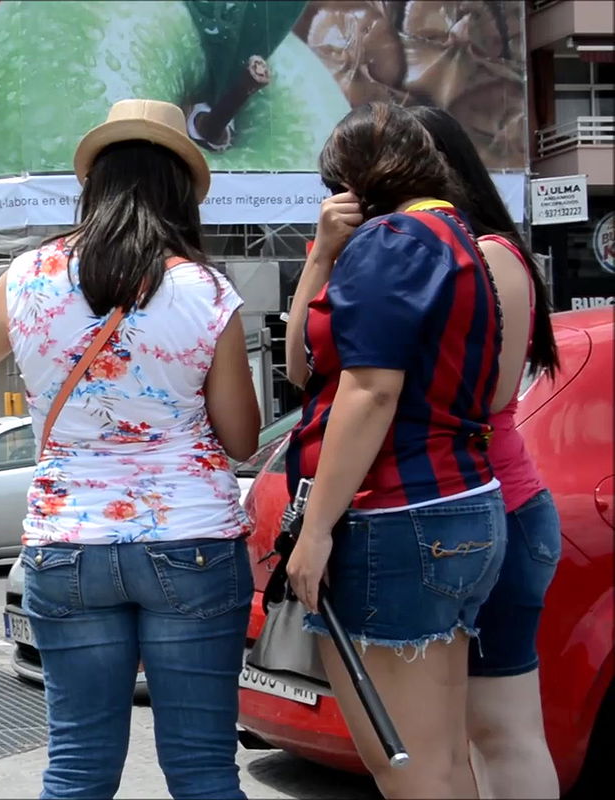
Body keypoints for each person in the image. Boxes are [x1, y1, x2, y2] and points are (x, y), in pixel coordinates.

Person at [0, 99, 260, 800]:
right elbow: (240, 439)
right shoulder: (205, 290)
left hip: (68, 541)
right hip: (192, 539)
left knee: (77, 766)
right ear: (180, 190)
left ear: (93, 184)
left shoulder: (29, 275)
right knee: (204, 771)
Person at [282, 103, 506, 800]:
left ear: (355, 181)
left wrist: (316, 530)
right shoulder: (459, 236)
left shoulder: (392, 240)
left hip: (396, 513)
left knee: (405, 766)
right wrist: (324, 253)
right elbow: (308, 368)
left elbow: (370, 390)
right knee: (442, 759)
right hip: (458, 501)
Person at [411, 106, 562, 799]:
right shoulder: (424, 250)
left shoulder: (491, 253)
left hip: (499, 506)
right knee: (468, 736)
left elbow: (490, 393)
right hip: (460, 509)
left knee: (502, 729)